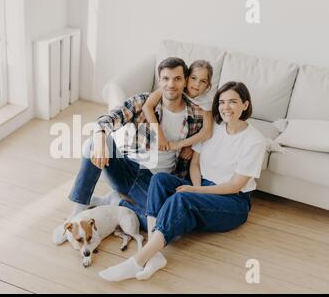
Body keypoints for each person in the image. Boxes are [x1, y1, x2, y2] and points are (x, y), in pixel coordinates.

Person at [99, 81, 267, 282]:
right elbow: (195, 164)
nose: (226, 107)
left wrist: (193, 192)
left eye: (233, 102)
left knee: (181, 201)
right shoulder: (213, 127)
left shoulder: (255, 140)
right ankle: (155, 253)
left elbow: (235, 186)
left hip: (233, 201)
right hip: (202, 184)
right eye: (222, 102)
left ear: (245, 105)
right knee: (160, 179)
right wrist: (196, 187)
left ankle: (137, 261)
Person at [52, 57, 211, 245]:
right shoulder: (143, 101)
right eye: (165, 79)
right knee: (92, 143)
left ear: (185, 80)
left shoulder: (196, 115)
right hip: (126, 169)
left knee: (169, 231)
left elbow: (207, 137)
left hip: (153, 183)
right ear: (159, 81)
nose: (171, 84)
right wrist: (101, 136)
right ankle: (77, 212)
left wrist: (191, 148)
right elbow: (107, 119)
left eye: (177, 79)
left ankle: (113, 202)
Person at [142, 59, 214, 179]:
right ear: (186, 79)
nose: (196, 84)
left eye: (203, 81)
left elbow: (207, 132)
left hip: (187, 139)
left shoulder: (206, 102)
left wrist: (185, 145)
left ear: (208, 86)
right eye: (193, 78)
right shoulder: (174, 88)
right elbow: (147, 106)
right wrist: (159, 134)